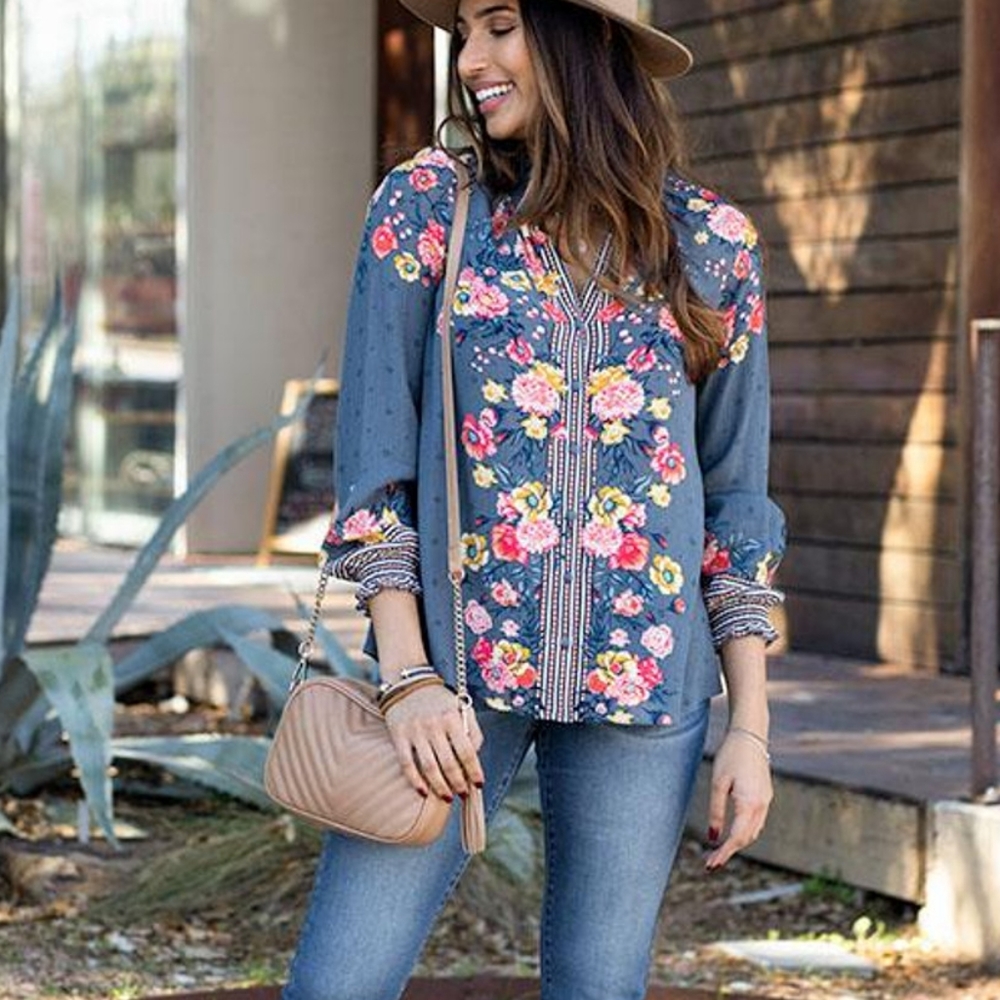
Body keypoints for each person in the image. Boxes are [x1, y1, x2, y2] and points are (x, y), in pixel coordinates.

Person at [282, 1, 785, 997]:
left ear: (582, 39)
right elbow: (374, 460)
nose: (470, 58)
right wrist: (408, 674)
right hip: (452, 681)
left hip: (645, 689)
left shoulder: (713, 244)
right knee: (339, 982)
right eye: (463, 31)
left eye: (500, 25)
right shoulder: (428, 209)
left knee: (599, 986)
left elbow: (735, 500)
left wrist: (753, 725)